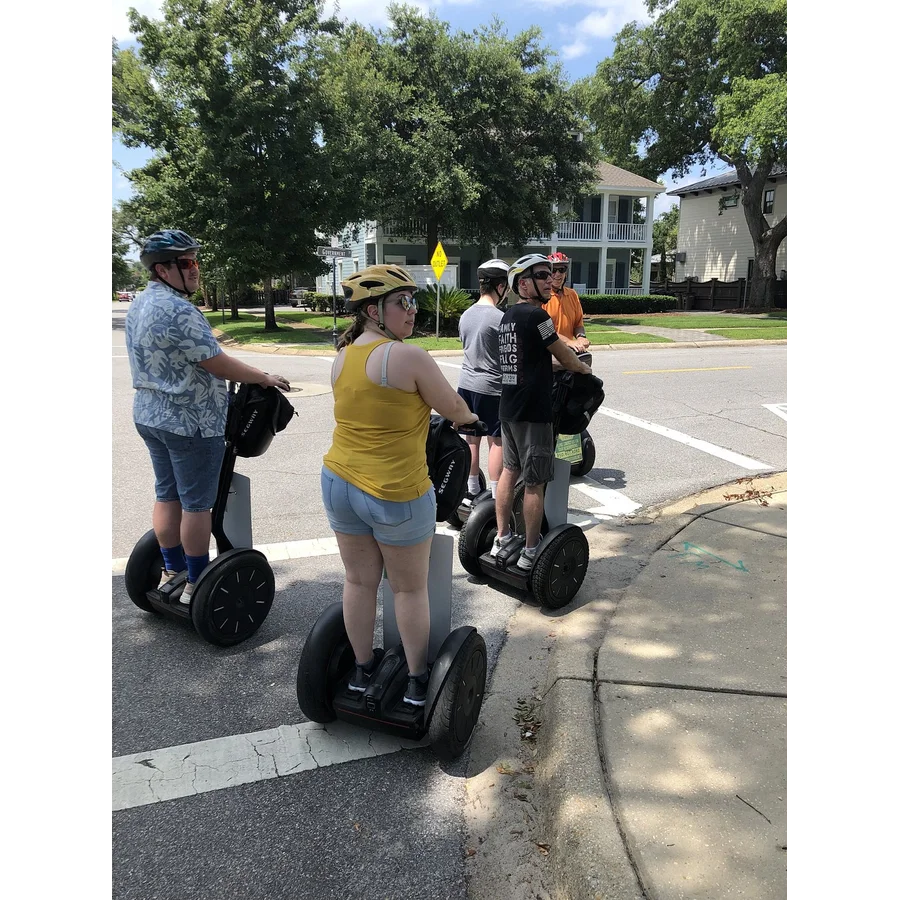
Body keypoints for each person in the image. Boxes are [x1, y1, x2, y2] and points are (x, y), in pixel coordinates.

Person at [321, 264, 479, 706]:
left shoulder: (342, 356)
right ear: (374, 310)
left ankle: (361, 669)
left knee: (358, 581)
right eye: (402, 303)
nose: (412, 311)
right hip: (394, 490)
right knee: (408, 588)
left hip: (338, 481)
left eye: (414, 302)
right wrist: (469, 419)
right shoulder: (408, 357)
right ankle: (415, 679)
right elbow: (452, 406)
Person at [125, 229, 291, 606]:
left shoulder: (140, 302)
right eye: (186, 263)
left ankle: (171, 569)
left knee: (167, 495)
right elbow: (217, 362)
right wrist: (263, 377)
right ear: (163, 270)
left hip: (151, 415)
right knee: (198, 504)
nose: (195, 269)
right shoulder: (179, 310)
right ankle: (196, 582)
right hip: (191, 422)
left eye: (196, 261)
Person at [493, 254, 593, 571]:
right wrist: (584, 370)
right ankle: (531, 550)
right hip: (534, 410)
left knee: (510, 472)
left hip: (508, 407)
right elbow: (565, 356)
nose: (550, 279)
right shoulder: (539, 317)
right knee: (536, 482)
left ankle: (502, 537)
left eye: (551, 274)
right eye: (542, 275)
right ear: (524, 283)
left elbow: (531, 360)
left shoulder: (508, 316)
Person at [456, 259, 510, 501]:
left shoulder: (466, 315)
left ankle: (472, 491)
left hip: (466, 385)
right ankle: (498, 495)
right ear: (500, 286)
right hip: (492, 387)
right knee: (496, 441)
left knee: (471, 438)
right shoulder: (499, 318)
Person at [544, 252, 590, 354]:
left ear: (566, 273)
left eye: (562, 270)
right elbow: (544, 330)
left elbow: (578, 324)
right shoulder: (542, 297)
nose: (558, 274)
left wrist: (581, 337)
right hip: (546, 354)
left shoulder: (572, 295)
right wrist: (568, 341)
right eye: (553, 270)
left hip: (567, 353)